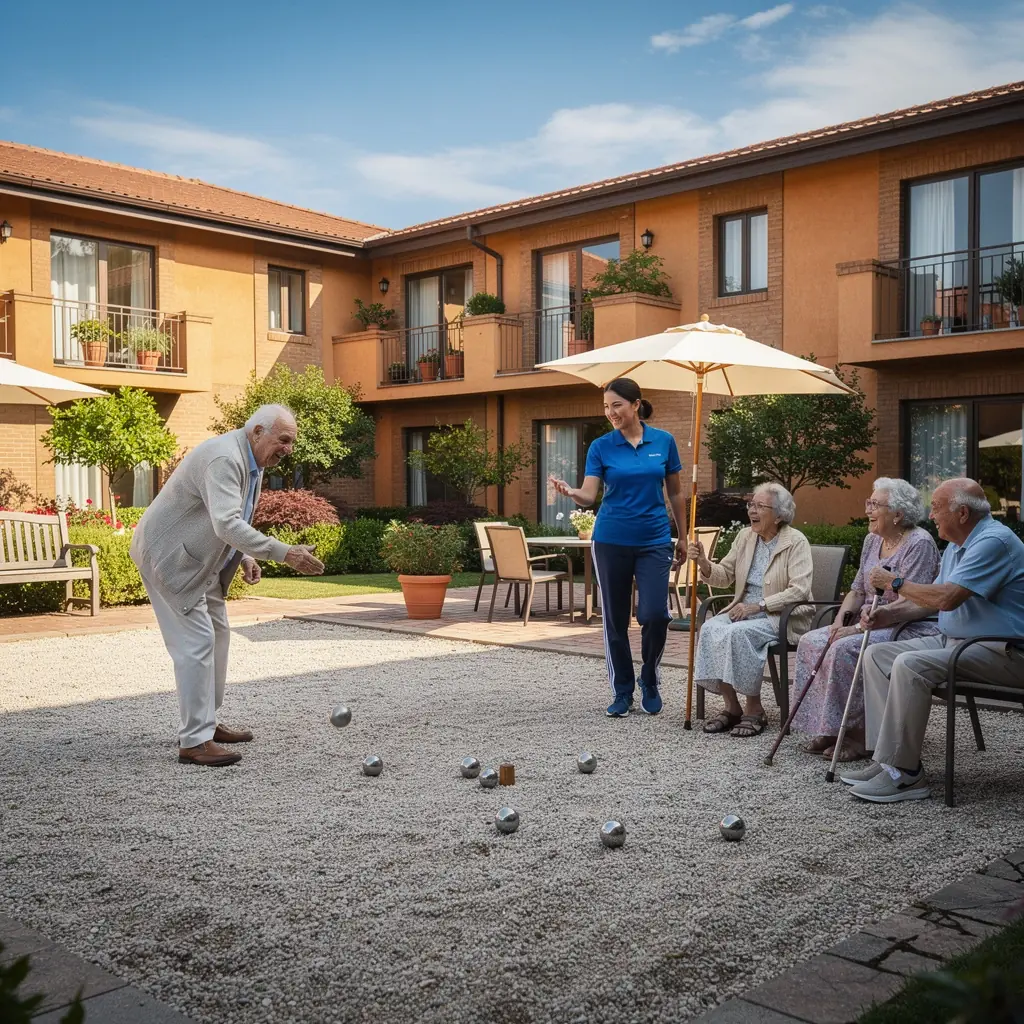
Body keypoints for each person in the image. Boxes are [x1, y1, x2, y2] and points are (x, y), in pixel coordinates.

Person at [131, 404, 325, 768]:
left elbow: (226, 520)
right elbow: (226, 524)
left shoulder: (251, 460)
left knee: (218, 634)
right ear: (257, 432)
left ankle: (207, 723)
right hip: (169, 558)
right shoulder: (225, 459)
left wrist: (247, 556)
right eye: (283, 440)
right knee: (197, 642)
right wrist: (284, 553)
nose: (288, 449)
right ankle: (194, 741)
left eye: (291, 442)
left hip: (198, 560)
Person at [841, 478, 1024, 803]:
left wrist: (895, 581)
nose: (931, 515)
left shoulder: (994, 541)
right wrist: (888, 615)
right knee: (876, 655)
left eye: (936, 508)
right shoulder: (956, 545)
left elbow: (948, 598)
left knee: (910, 665)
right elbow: (927, 600)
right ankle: (888, 762)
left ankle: (906, 775)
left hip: (1004, 652)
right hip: (957, 642)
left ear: (963, 513)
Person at [549, 378, 685, 717]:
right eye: (606, 407)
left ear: (636, 404)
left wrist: (684, 535)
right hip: (610, 540)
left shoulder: (664, 442)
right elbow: (588, 495)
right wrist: (570, 492)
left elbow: (676, 493)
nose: (610, 413)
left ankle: (650, 677)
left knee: (655, 614)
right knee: (615, 619)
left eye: (617, 406)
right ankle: (622, 690)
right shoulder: (601, 446)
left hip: (654, 539)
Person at [791, 478, 940, 761]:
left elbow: (918, 602)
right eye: (868, 503)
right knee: (813, 641)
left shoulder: (919, 543)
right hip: (868, 622)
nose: (868, 510)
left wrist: (859, 628)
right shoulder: (873, 539)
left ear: (898, 514)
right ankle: (831, 727)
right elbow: (858, 590)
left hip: (907, 626)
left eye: (875, 505)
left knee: (846, 649)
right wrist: (838, 623)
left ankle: (860, 735)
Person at [688, 482, 812, 737]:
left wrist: (759, 605)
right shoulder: (745, 536)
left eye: (760, 506)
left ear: (779, 515)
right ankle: (732, 707)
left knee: (738, 633)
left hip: (782, 615)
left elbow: (799, 590)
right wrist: (703, 562)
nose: (752, 511)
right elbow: (724, 576)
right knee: (711, 628)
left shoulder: (796, 542)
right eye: (751, 504)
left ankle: (754, 710)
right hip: (744, 610)